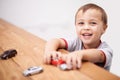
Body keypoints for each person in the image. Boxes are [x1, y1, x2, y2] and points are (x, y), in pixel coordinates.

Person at [43, 3, 113, 71]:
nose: (86, 27)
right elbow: (55, 41)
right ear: (75, 26)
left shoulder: (107, 50)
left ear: (104, 28)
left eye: (93, 23)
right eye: (81, 23)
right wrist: (50, 51)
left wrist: (79, 54)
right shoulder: (76, 42)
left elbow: (99, 55)